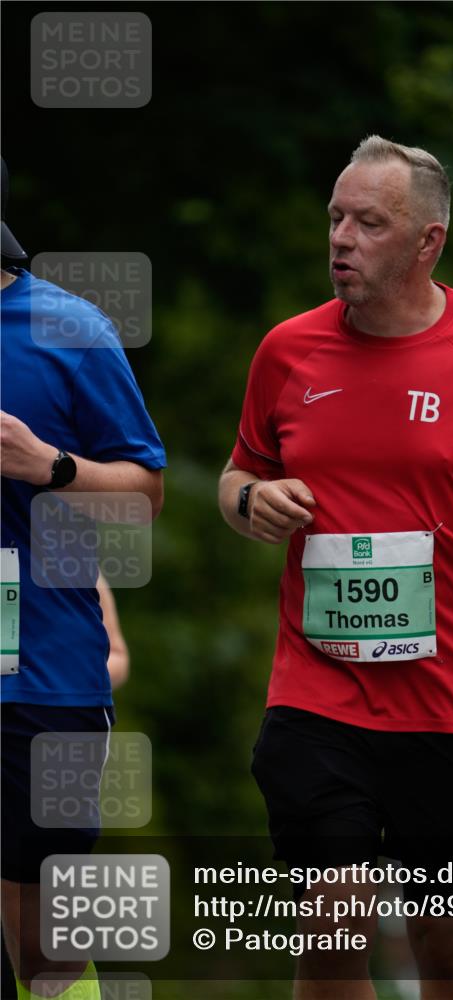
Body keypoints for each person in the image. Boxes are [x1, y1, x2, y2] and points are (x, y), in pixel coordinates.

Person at [218, 135, 453, 1000]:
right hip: (317, 692)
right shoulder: (287, 351)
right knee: (333, 920)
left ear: (428, 241)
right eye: (334, 218)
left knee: (449, 948)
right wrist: (251, 500)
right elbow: (237, 476)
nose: (339, 238)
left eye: (368, 222)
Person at [0, 157, 166, 1000]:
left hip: (42, 676)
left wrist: (50, 466)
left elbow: (144, 497)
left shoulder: (68, 329)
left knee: (45, 950)